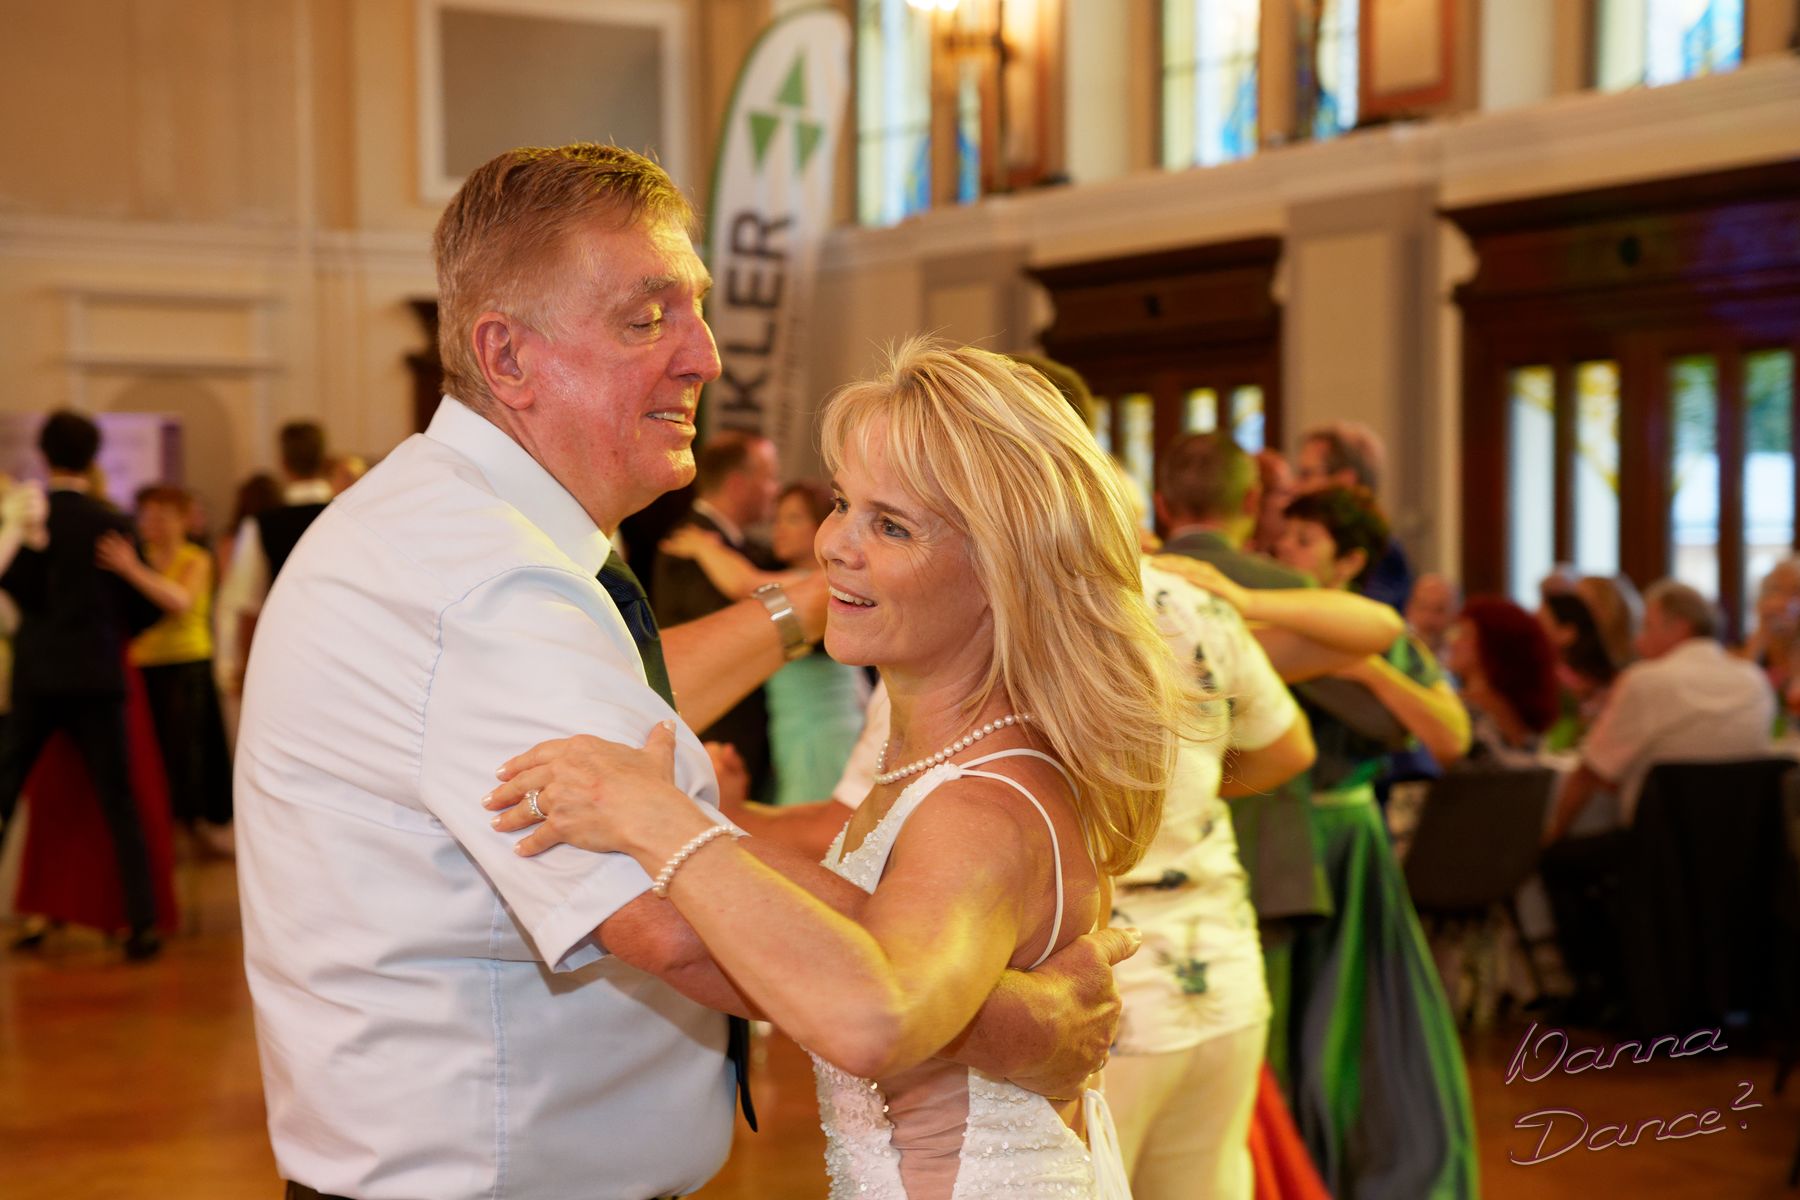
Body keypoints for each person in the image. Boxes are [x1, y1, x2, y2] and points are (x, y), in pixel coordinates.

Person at [235, 145, 1127, 1200]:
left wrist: (820, 602)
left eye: (696, 310)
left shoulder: (463, 533)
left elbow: (640, 723)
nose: (703, 355)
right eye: (646, 317)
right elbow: (678, 919)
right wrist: (1018, 1019)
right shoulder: (486, 585)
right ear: (507, 356)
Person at [485, 341, 1197, 1198]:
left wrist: (662, 819)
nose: (833, 546)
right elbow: (839, 938)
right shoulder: (939, 762)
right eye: (840, 504)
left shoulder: (980, 804)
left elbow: (875, 1015)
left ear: (1000, 574)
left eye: (890, 525)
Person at [1259, 484, 1479, 1200]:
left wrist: (1365, 671)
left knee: (1354, 1020)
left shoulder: (1377, 634)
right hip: (1274, 839)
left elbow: (1451, 737)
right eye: (1283, 537)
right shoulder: (1263, 619)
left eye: (1305, 542)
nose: (1285, 550)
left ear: (1349, 561)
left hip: (1346, 841)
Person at [1539, 580, 1775, 1021]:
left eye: (1647, 627)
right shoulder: (1752, 680)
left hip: (1658, 852)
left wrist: (1552, 833)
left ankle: (1599, 990)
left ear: (1678, 627)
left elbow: (1591, 772)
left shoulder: (1647, 681)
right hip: (1743, 855)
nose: (1637, 641)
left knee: (1558, 861)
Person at [0, 412, 164, 961]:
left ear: (44, 455)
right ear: (93, 458)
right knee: (118, 802)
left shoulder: (27, 519)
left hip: (37, 675)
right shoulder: (111, 522)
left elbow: (16, 588)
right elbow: (142, 609)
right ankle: (141, 923)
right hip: (97, 674)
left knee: (5, 791)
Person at [661, 479, 870, 806]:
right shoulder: (799, 577)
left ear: (823, 525)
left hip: (819, 734)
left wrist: (704, 548)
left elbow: (744, 584)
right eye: (776, 520)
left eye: (793, 519)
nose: (779, 530)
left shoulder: (820, 581)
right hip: (798, 730)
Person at [653, 431, 785, 792]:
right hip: (717, 734)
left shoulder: (732, 547)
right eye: (769, 477)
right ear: (738, 484)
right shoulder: (684, 544)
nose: (775, 490)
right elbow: (727, 626)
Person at [102, 486, 234, 845]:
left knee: (186, 752)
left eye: (162, 517)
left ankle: (188, 829)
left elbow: (179, 600)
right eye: (146, 517)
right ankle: (161, 828)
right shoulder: (138, 557)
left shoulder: (196, 558)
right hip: (141, 665)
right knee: (149, 754)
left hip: (186, 663)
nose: (152, 524)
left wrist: (131, 569)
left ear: (182, 520)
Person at [215, 421, 335, 696]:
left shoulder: (262, 525)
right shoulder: (349, 516)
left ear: (283, 463)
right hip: (340, 649)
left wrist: (245, 668)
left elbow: (249, 605)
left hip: (285, 651)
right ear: (324, 460)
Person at [1294, 422, 1414, 610]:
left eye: (1306, 475)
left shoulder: (1381, 552)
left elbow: (1367, 615)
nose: (1295, 486)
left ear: (1345, 480)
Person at [1444, 597, 1560, 766]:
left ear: (1494, 644)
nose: (1453, 641)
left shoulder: (1464, 711)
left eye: (1464, 635)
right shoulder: (1519, 711)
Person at [1406, 573, 1461, 663]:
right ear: (1409, 609)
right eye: (1422, 607)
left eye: (1439, 610)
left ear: (1454, 615)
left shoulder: (1459, 662)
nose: (1429, 618)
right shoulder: (1390, 650)